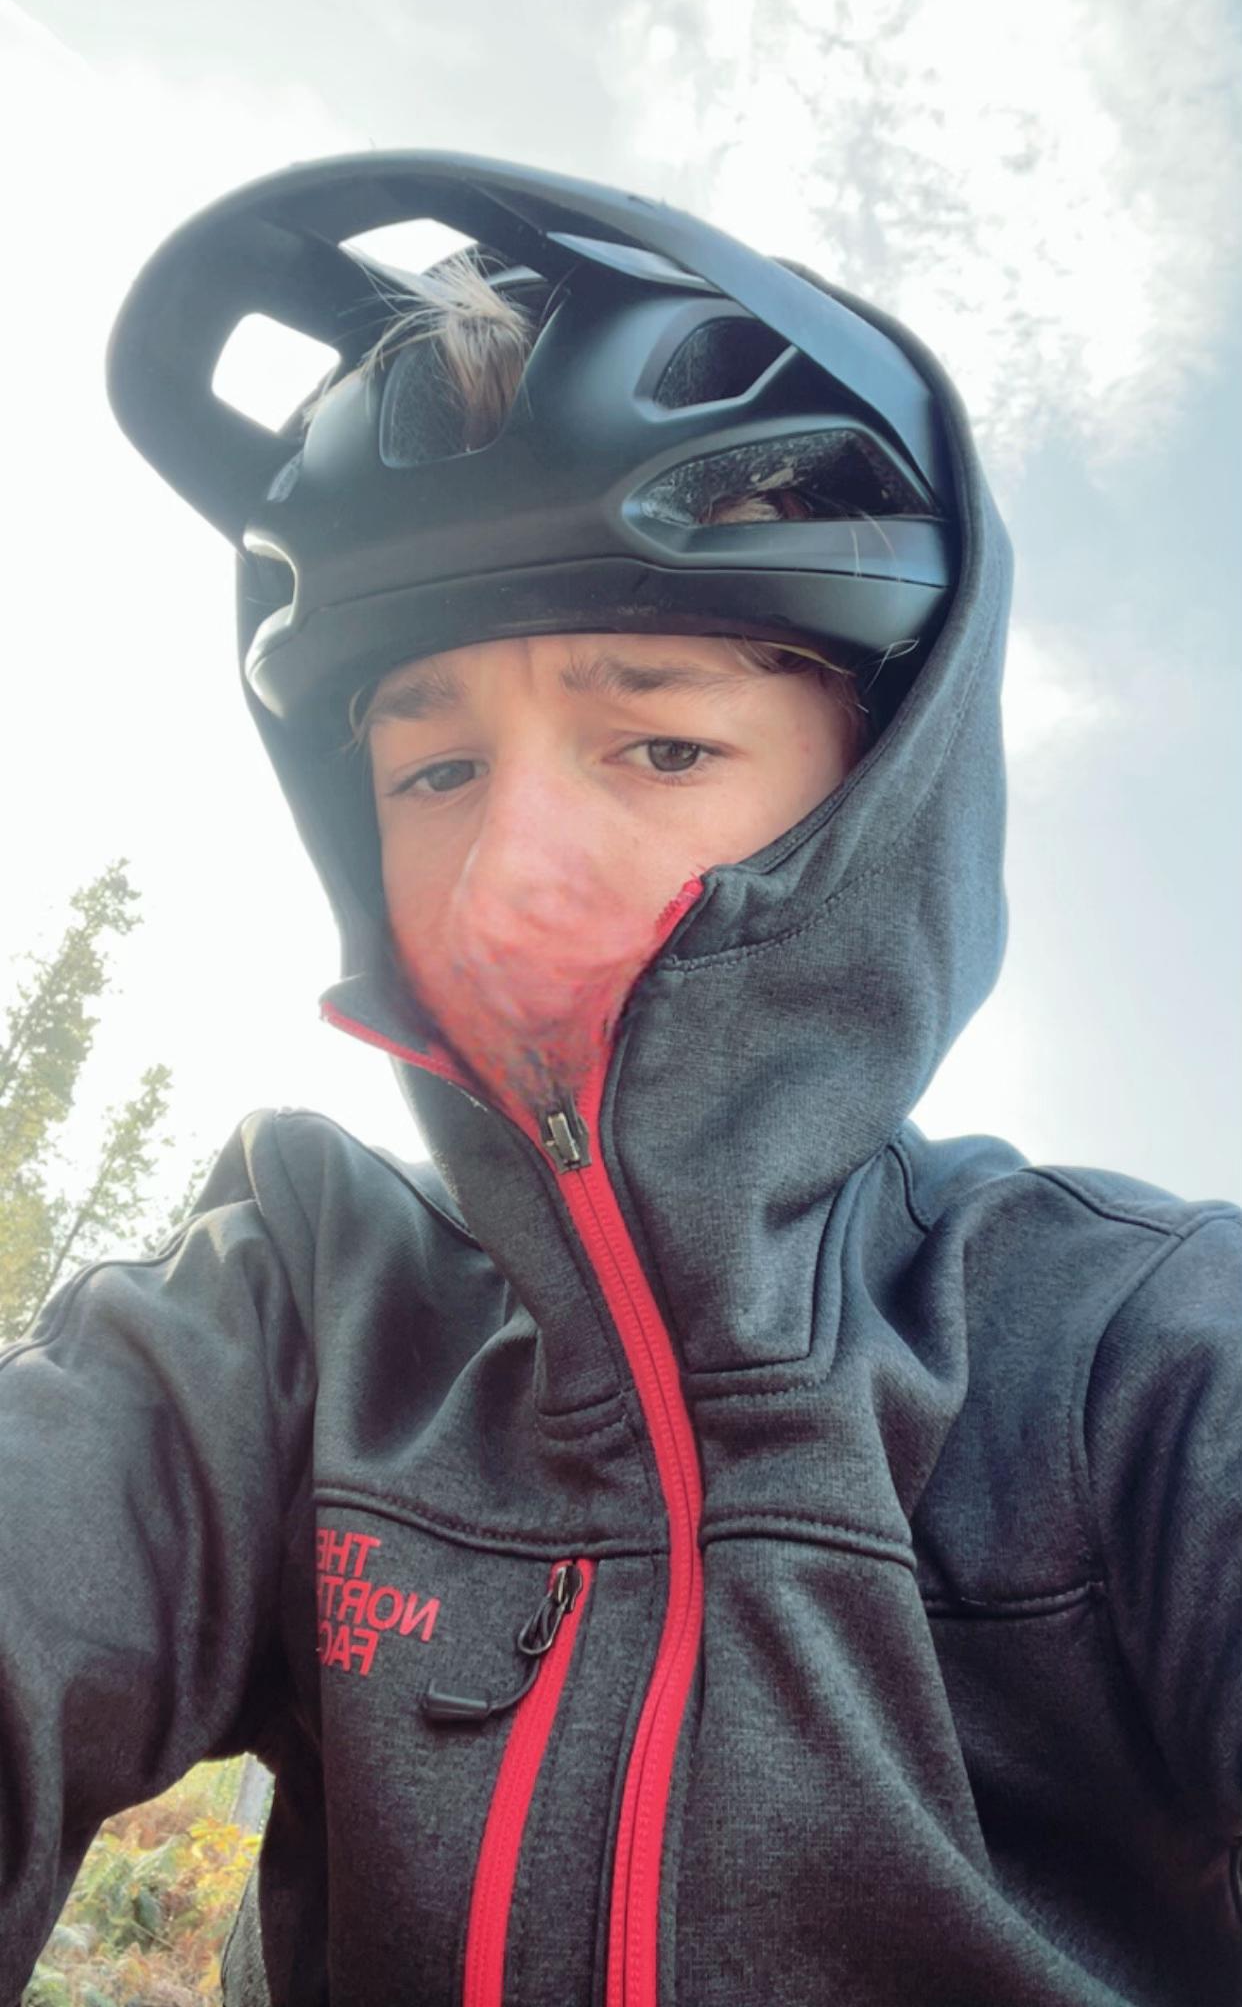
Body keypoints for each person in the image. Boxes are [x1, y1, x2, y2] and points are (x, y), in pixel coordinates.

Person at [2, 153, 1239, 2007]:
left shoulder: (1143, 1356)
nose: (503, 886)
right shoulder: (289, 1320)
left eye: (659, 744)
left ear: (879, 799)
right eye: (432, 771)